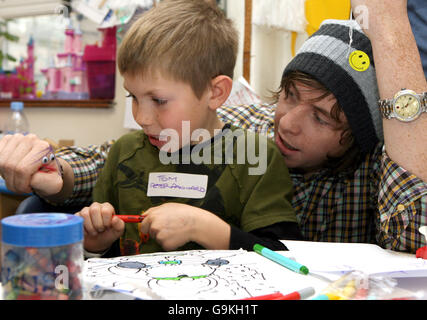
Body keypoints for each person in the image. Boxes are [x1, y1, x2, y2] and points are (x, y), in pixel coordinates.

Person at [0, 0, 425, 253]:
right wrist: (57, 174)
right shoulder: (244, 126)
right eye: (289, 95)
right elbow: (115, 155)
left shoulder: (376, 170)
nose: (287, 123)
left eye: (320, 117)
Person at [72, 0, 300, 256]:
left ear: (215, 93)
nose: (142, 117)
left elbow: (282, 257)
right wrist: (96, 244)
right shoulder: (124, 152)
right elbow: (107, 256)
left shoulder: (258, 157)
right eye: (132, 97)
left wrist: (200, 227)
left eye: (159, 101)